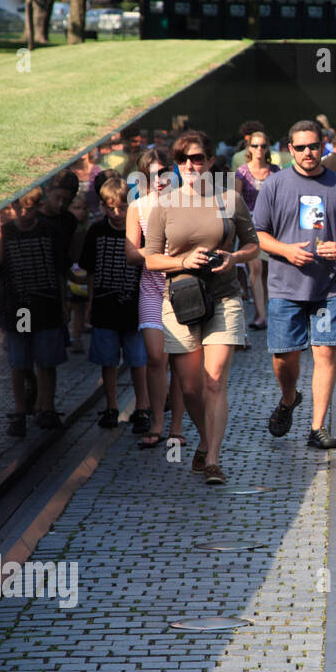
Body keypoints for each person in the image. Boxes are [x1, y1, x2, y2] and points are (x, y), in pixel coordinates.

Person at [144, 130, 259, 485]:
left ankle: (212, 459)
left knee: (214, 381)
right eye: (183, 159)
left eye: (197, 158)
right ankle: (206, 439)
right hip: (182, 303)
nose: (190, 165)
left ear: (210, 161)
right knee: (191, 387)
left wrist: (234, 257)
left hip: (224, 297)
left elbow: (253, 245)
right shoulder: (163, 205)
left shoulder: (229, 199)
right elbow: (150, 260)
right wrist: (182, 261)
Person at [251, 121, 336, 451]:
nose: (307, 153)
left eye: (313, 146)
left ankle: (317, 428)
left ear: (324, 146)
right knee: (284, 357)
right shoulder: (274, 185)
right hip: (286, 287)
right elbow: (258, 234)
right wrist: (286, 250)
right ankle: (289, 398)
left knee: (325, 351)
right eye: (300, 147)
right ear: (290, 149)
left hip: (329, 287)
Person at [0, 187, 75, 435]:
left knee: (47, 359)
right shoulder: (5, 234)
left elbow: (59, 270)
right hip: (18, 306)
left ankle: (47, 407)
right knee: (20, 361)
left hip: (46, 304)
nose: (24, 213)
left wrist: (64, 301)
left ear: (38, 206)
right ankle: (20, 409)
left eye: (29, 208)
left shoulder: (48, 232)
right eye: (19, 208)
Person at [125, 145, 187, 449]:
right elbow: (130, 253)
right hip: (151, 288)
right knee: (155, 357)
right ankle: (156, 420)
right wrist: (155, 254)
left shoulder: (186, 203)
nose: (159, 180)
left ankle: (175, 427)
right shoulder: (137, 207)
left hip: (181, 289)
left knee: (178, 361)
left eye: (164, 173)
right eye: (152, 175)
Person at [82, 177, 150, 431]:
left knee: (137, 360)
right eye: (111, 208)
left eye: (122, 208)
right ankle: (111, 405)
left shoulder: (139, 232)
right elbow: (90, 270)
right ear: (102, 206)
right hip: (104, 305)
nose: (117, 214)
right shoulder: (96, 231)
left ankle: (142, 407)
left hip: (133, 306)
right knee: (107, 361)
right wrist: (90, 302)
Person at [234, 130, 279, 331]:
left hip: (272, 225)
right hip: (250, 225)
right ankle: (261, 314)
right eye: (255, 145)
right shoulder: (242, 172)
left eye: (262, 145)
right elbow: (235, 200)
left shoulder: (275, 170)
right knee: (256, 268)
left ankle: (265, 309)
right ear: (248, 148)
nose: (259, 149)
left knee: (269, 271)